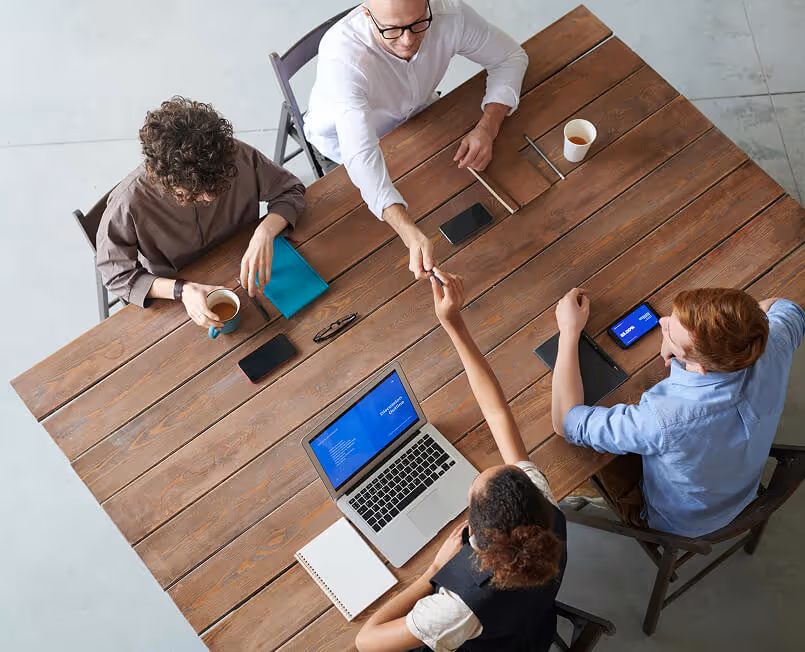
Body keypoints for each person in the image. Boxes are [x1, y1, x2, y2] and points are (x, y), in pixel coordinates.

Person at [355, 269, 566, 652]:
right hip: (531, 631)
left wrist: (433, 571)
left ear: (475, 536)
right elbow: (499, 413)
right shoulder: (546, 511)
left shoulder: (458, 607)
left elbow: (366, 641)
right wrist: (453, 324)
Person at [551, 287, 805, 537]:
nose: (662, 321)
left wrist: (569, 332)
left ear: (699, 367)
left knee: (574, 463)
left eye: (670, 332)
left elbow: (565, 421)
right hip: (741, 490)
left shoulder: (662, 419)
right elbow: (786, 307)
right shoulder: (771, 346)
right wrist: (720, 337)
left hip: (677, 522)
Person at [304, 0, 528, 280]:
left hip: (420, 118)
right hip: (342, 145)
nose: (408, 41)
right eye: (392, 30)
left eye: (418, 23)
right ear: (366, 14)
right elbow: (360, 154)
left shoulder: (449, 14)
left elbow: (510, 58)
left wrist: (488, 127)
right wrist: (408, 231)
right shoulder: (343, 57)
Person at [96, 96, 306, 329]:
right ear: (166, 180)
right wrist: (181, 290)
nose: (210, 197)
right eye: (196, 191)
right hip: (180, 304)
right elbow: (116, 275)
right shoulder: (128, 202)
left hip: (253, 274)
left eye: (217, 184)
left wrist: (265, 231)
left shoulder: (234, 155)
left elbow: (291, 190)